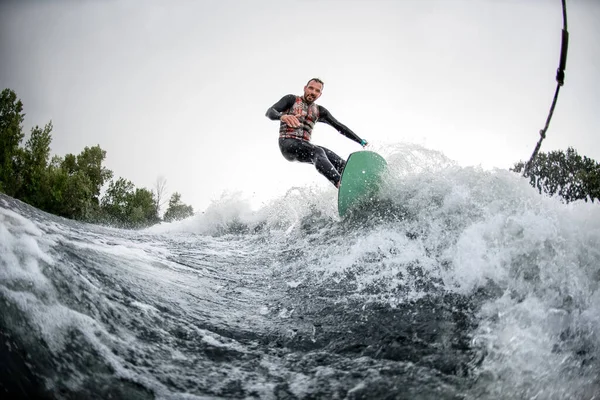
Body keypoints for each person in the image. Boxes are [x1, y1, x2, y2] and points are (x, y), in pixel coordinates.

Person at [265, 78, 368, 188]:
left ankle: (359, 184)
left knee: (338, 161)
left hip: (305, 145)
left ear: (320, 94)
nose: (313, 92)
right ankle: (340, 184)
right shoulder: (291, 100)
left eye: (317, 91)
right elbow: (270, 112)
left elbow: (339, 126)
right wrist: (282, 116)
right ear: (305, 88)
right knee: (317, 151)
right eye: (311, 88)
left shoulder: (320, 111)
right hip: (287, 143)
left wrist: (360, 141)